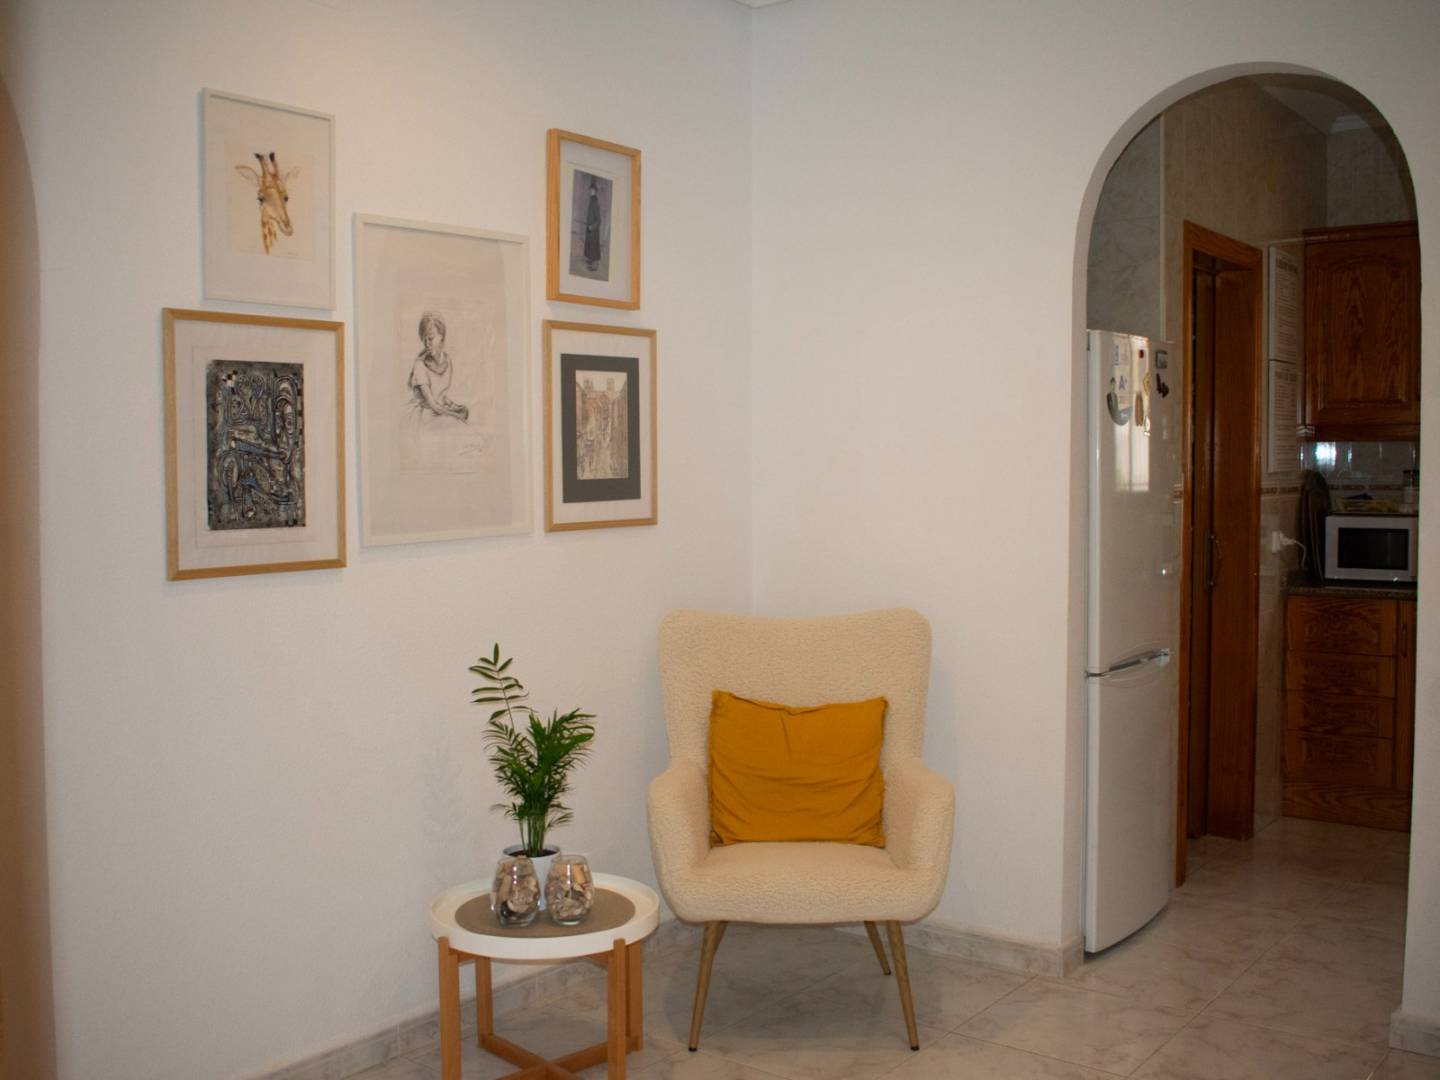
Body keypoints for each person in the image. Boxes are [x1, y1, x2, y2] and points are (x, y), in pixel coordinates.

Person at [408, 311, 468, 422]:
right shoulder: (420, 365)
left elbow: (440, 396)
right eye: (424, 339)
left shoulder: (447, 360)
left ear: (441, 337)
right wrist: (456, 415)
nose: (427, 344)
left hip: (440, 412)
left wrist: (455, 406)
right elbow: (433, 405)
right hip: (425, 415)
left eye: (430, 338)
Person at [583, 179, 602, 271]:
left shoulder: (595, 201)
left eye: (591, 190)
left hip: (593, 230)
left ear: (595, 191)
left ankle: (593, 267)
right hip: (590, 228)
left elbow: (599, 220)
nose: (590, 191)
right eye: (590, 190)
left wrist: (592, 226)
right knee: (590, 246)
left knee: (593, 247)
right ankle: (590, 260)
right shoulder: (592, 199)